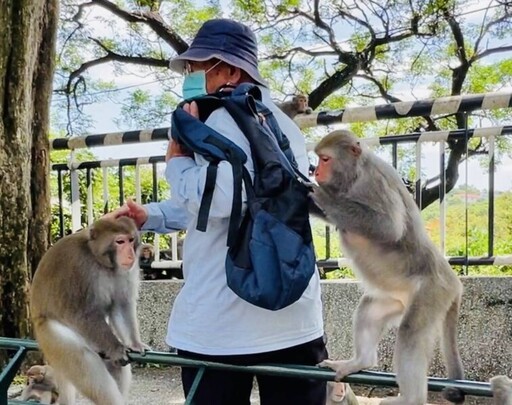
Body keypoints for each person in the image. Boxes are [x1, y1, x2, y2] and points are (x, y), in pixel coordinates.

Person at [111, 18, 327, 405]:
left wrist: (176, 162)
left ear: (228, 69)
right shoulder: (282, 125)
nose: (189, 77)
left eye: (196, 67)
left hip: (224, 325)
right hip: (295, 321)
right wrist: (152, 216)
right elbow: (222, 202)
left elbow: (222, 197)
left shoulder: (222, 118)